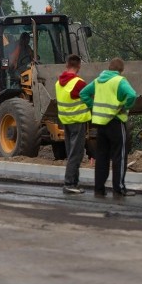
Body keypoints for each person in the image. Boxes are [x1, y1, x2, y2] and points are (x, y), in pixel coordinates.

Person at [80, 57, 138, 197]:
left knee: (101, 157)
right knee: (119, 156)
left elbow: (83, 93)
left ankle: (99, 189)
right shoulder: (119, 81)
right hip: (116, 122)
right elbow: (132, 95)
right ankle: (119, 189)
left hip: (101, 125)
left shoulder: (98, 81)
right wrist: (125, 106)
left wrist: (93, 106)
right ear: (120, 70)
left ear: (109, 68)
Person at [55, 54, 91, 194]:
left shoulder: (59, 83)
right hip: (78, 121)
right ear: (79, 66)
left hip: (65, 121)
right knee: (76, 154)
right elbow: (89, 98)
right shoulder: (79, 83)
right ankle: (69, 183)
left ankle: (74, 183)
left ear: (66, 65)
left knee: (71, 152)